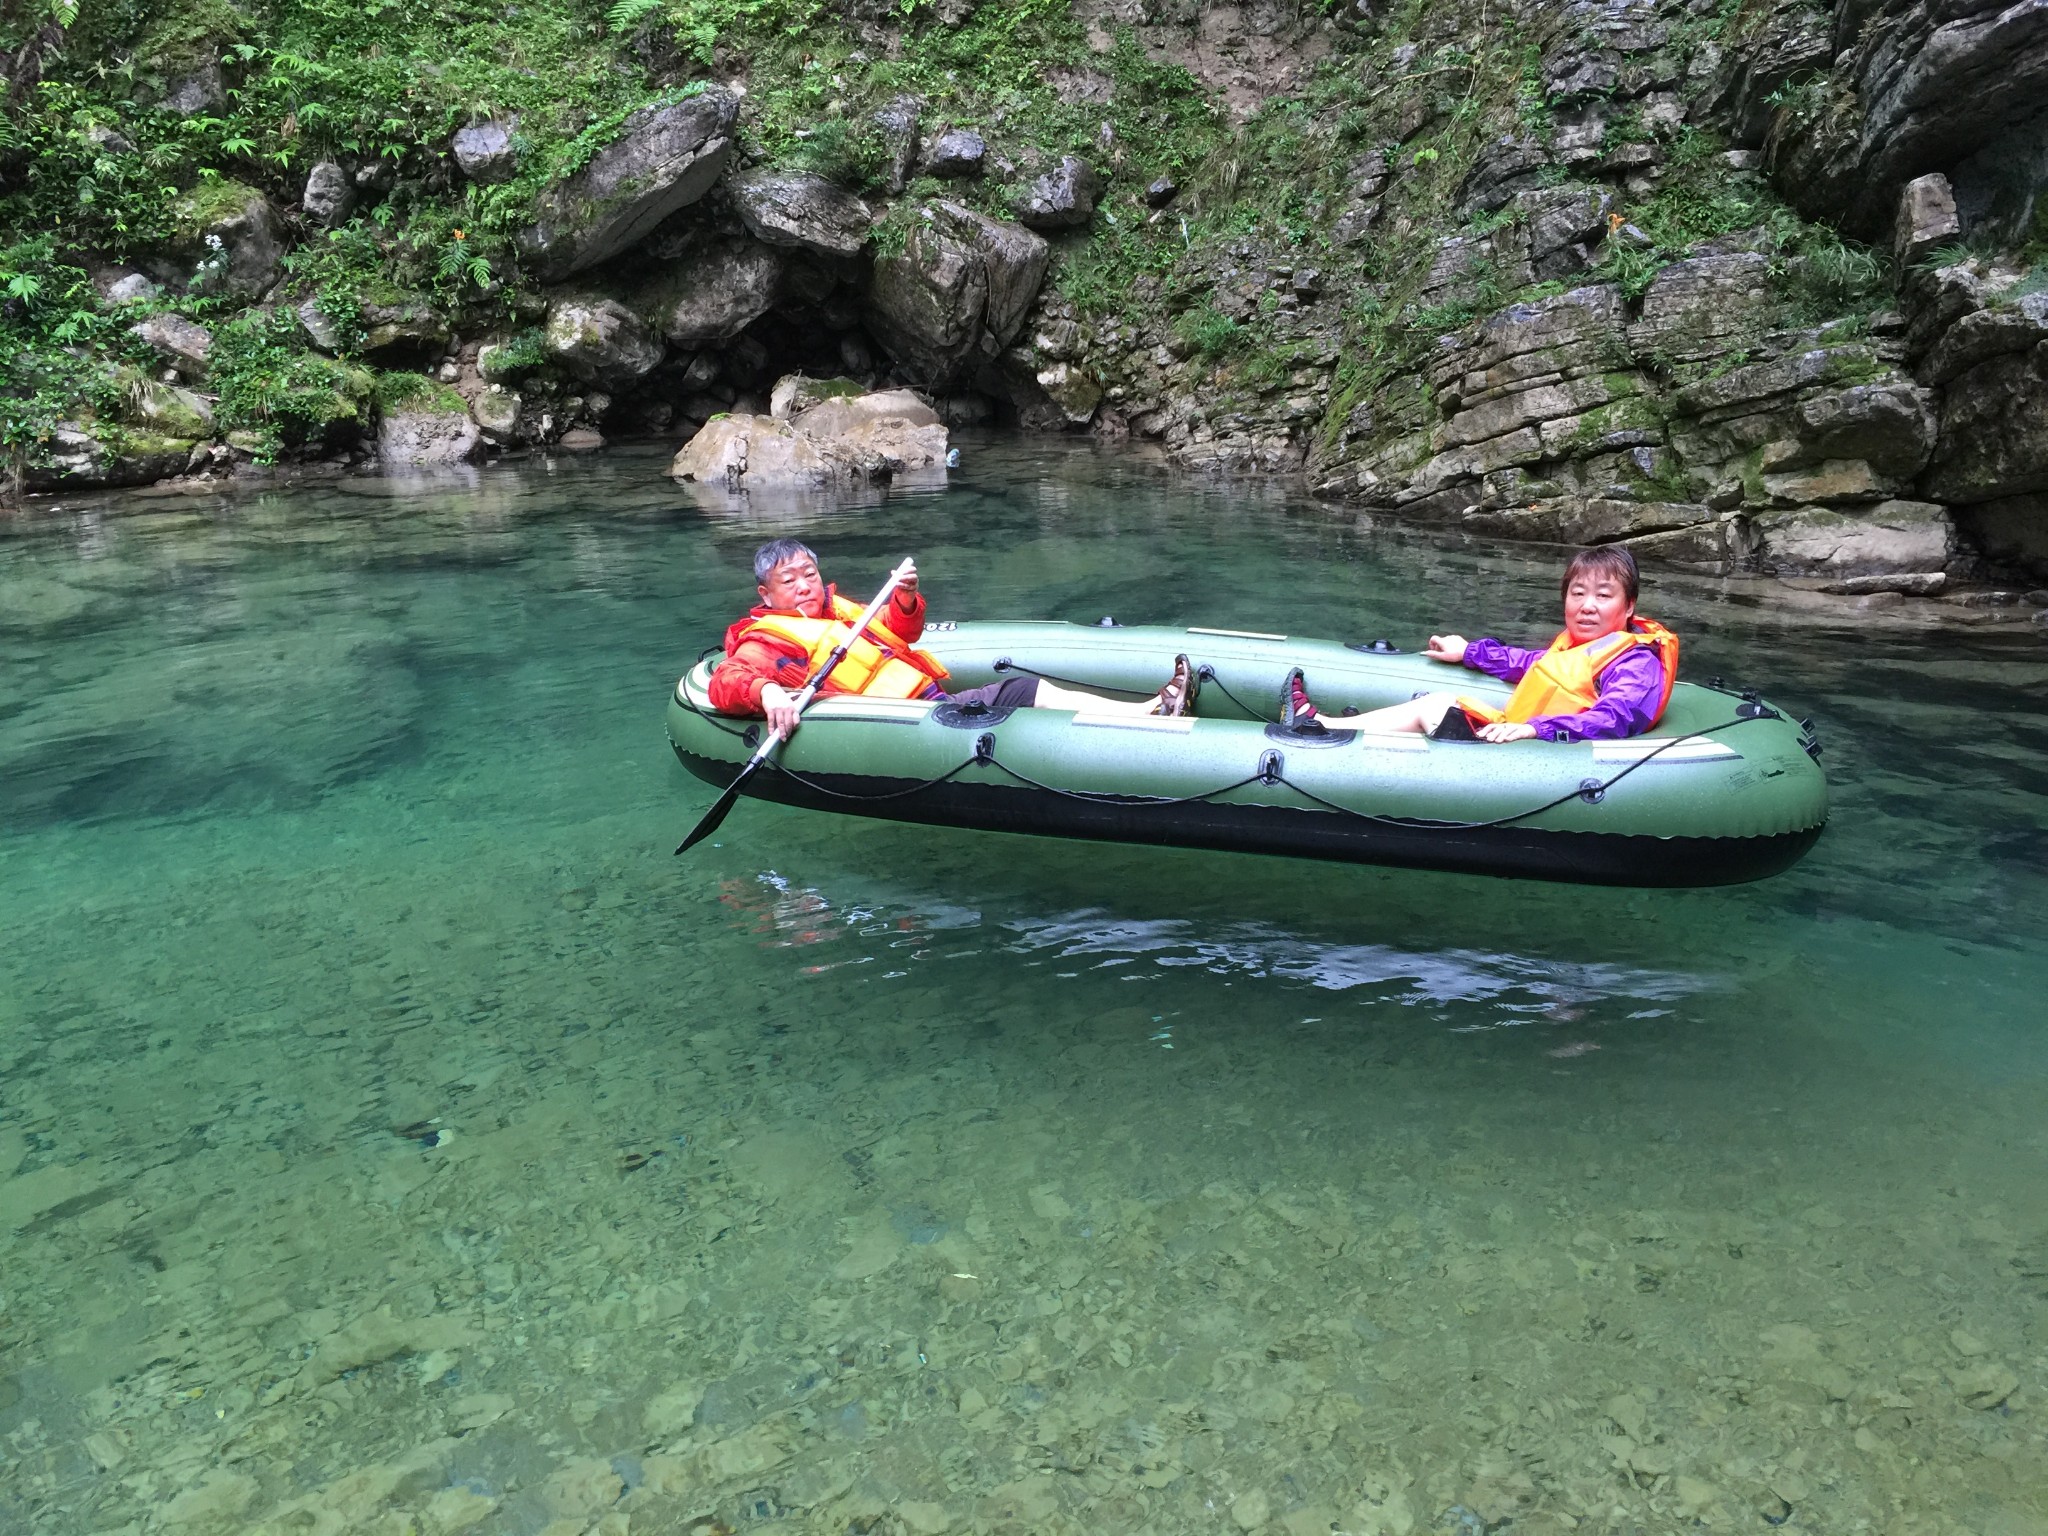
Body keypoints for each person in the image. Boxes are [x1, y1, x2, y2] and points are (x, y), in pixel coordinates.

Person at [709, 539, 1198, 736]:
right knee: (1018, 691)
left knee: (1018, 690)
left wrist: (905, 597)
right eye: (789, 579)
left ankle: (1151, 711)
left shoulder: (841, 610)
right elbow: (728, 679)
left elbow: (904, 635)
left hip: (928, 698)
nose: (804, 586)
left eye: (809, 574)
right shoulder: (767, 638)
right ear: (765, 593)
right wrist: (769, 690)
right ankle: (1151, 713)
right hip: (903, 725)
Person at [1290, 545, 1678, 743]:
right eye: (1577, 593)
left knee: (1436, 706)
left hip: (1546, 754)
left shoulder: (1635, 663)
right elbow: (1528, 662)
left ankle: (1323, 727)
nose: (1587, 606)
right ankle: (1325, 727)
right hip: (1527, 740)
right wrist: (1468, 651)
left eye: (1603, 596)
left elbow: (1615, 718)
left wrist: (1536, 730)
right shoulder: (1579, 648)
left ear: (1629, 607)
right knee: (1437, 702)